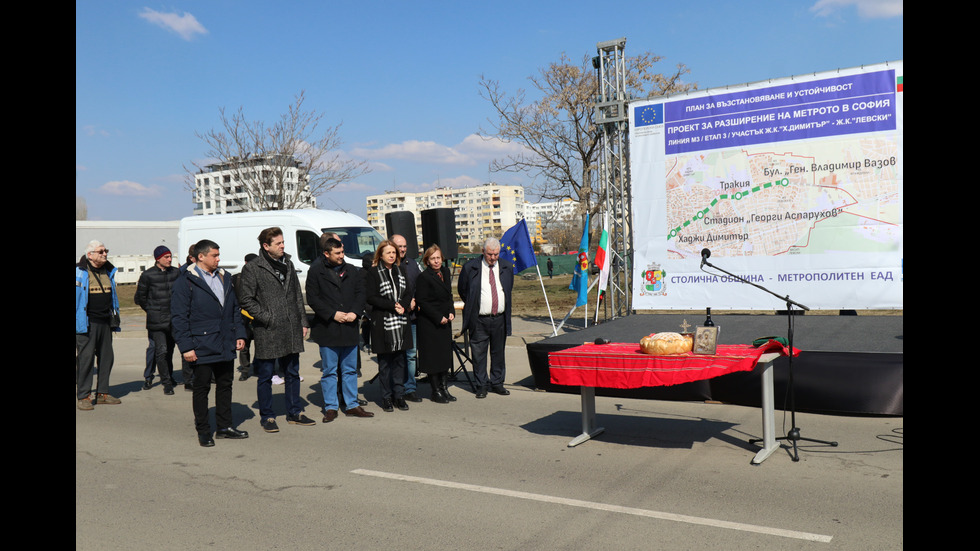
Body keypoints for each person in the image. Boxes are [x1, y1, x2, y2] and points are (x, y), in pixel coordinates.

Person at [171, 239, 249, 447]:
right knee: (202, 388)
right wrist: (186, 347)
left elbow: (234, 309)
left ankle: (225, 427)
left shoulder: (225, 277)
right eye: (214, 255)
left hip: (224, 341)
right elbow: (179, 318)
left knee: (225, 385)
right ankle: (203, 430)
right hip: (201, 343)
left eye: (218, 254)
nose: (218, 258)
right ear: (200, 257)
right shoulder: (186, 281)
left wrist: (239, 334)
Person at [239, 227, 315, 433]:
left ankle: (294, 412)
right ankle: (268, 416)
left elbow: (297, 296)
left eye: (283, 242)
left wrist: (303, 322)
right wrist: (268, 317)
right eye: (278, 243)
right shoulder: (253, 268)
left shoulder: (287, 263)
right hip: (268, 330)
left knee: (292, 372)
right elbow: (246, 300)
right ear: (266, 246)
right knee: (265, 376)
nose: (283, 246)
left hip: (290, 328)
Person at [306, 235, 374, 421]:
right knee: (329, 370)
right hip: (328, 328)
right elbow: (313, 298)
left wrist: (355, 312)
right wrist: (332, 314)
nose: (341, 256)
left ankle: (352, 404)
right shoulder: (316, 271)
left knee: (350, 369)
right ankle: (331, 406)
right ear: (326, 254)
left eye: (342, 252)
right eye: (337, 253)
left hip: (350, 327)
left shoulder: (352, 270)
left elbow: (361, 293)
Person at [457, 237, 513, 398]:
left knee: (498, 353)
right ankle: (481, 385)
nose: (493, 258)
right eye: (490, 254)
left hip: (499, 319)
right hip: (479, 319)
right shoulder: (470, 268)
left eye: (496, 254)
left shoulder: (506, 267)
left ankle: (497, 383)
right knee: (479, 353)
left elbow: (508, 290)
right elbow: (463, 290)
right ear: (483, 252)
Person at [365, 240, 414, 412]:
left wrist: (403, 304)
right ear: (380, 255)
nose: (392, 255)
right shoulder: (373, 272)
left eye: (394, 252)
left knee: (400, 361)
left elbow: (408, 292)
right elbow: (371, 297)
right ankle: (386, 397)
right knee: (385, 364)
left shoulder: (401, 270)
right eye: (388, 253)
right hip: (383, 323)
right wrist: (392, 305)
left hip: (401, 321)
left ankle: (399, 395)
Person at [76, 240, 122, 410]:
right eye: (101, 251)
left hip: (105, 322)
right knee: (86, 360)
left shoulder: (108, 270)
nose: (105, 254)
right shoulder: (79, 272)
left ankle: (102, 393)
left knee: (107, 358)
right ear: (90, 255)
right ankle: (84, 396)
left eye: (106, 250)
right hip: (86, 323)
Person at [133, 245, 181, 394]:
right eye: (166, 257)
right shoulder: (148, 275)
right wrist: (152, 310)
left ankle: (170, 376)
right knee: (161, 351)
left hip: (173, 319)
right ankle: (166, 383)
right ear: (158, 258)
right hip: (157, 321)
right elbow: (140, 297)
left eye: (170, 256)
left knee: (170, 351)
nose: (169, 259)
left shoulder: (176, 273)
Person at [414, 244, 456, 403]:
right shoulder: (424, 277)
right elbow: (422, 301)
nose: (436, 261)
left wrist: (451, 311)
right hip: (430, 323)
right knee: (433, 357)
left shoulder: (445, 272)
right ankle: (435, 391)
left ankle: (444, 388)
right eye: (433, 258)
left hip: (445, 322)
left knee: (445, 356)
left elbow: (449, 296)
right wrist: (439, 317)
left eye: (438, 257)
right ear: (427, 261)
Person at [390, 234, 422, 403]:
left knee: (410, 354)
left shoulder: (413, 264)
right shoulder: (386, 265)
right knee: (395, 355)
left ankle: (410, 387)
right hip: (393, 318)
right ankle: (396, 387)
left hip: (412, 317)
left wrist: (415, 299)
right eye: (399, 246)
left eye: (404, 246)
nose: (402, 250)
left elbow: (419, 285)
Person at [232, 253, 258, 381]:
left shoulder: (260, 277)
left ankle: (258, 366)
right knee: (244, 345)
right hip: (243, 317)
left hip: (257, 316)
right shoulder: (236, 279)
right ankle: (245, 369)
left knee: (260, 344)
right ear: (247, 263)